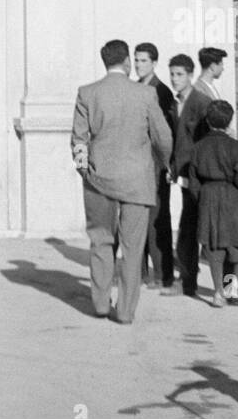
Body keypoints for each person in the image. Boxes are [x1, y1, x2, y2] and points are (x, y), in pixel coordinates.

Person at [71, 39, 172, 324]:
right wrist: (166, 164)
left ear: (105, 62)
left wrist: (85, 172)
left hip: (98, 180)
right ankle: (125, 311)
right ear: (127, 62)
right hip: (137, 181)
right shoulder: (145, 94)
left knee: (101, 242)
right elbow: (163, 138)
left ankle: (101, 304)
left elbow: (78, 141)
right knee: (132, 248)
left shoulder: (87, 93)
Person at [188, 100, 238, 308]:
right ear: (229, 122)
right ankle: (233, 289)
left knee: (215, 247)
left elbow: (193, 182)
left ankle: (218, 292)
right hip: (233, 197)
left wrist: (203, 198)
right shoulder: (237, 147)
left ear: (207, 121)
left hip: (208, 197)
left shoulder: (198, 148)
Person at [134, 42, 177, 292]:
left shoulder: (161, 92)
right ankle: (140, 273)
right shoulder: (136, 88)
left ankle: (163, 274)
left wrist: (166, 164)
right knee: (138, 219)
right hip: (138, 164)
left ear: (154, 63)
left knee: (158, 220)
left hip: (156, 165)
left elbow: (164, 134)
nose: (139, 65)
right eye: (137, 60)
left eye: (143, 61)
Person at [166, 52, 203, 299]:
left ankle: (231, 290)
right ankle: (188, 282)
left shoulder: (201, 103)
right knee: (188, 229)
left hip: (201, 177)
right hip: (186, 176)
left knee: (223, 240)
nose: (174, 79)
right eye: (172, 74)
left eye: (179, 75)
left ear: (190, 75)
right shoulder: (174, 103)